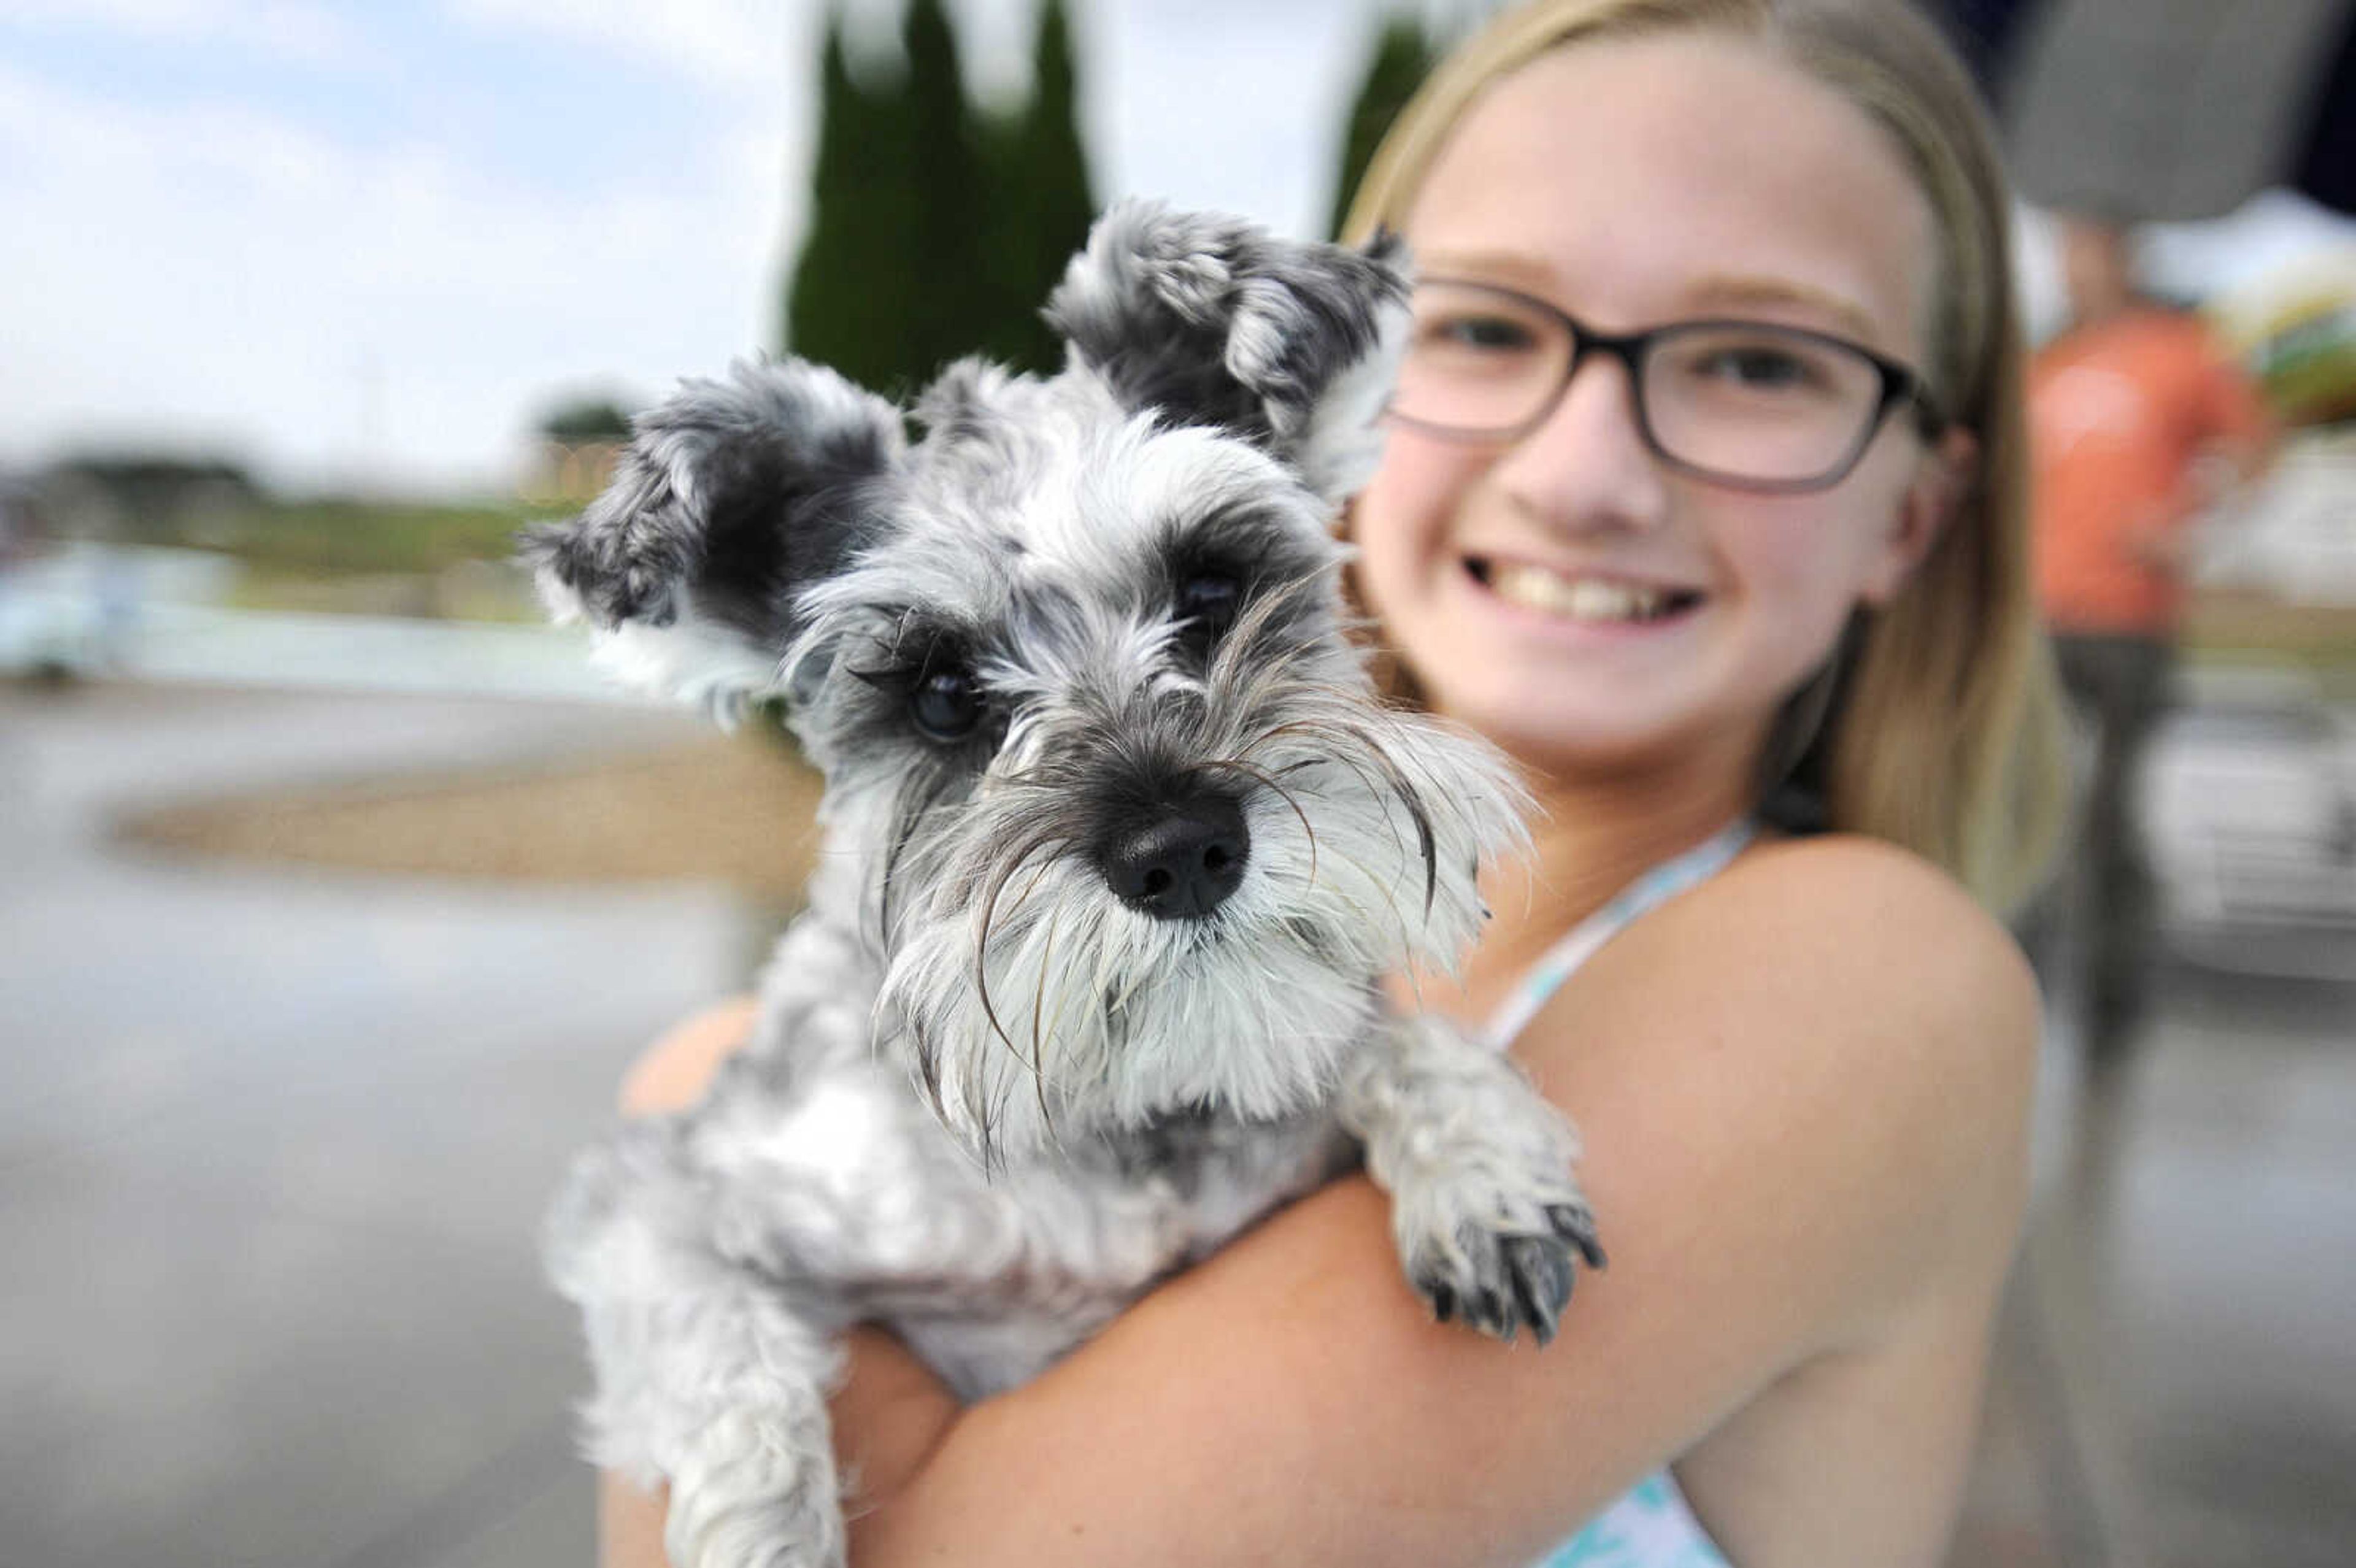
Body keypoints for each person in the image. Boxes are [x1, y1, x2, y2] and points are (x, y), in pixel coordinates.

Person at [598, 0, 2069, 1562]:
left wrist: (694, 1091)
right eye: (1488, 328)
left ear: (1920, 507)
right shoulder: (1356, 984)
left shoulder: (1862, 980)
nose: (1586, 475)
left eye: (1761, 363)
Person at [2028, 214, 2275, 1062]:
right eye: (2066, 253)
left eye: (2090, 251)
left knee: (2111, 816)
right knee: (2024, 806)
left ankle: (2113, 1007)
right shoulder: (2048, 359)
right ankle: (2013, 993)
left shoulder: (2180, 351)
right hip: (2041, 617)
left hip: (2130, 619)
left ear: (2123, 257)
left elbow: (2254, 450)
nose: (2076, 269)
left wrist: (2189, 527)